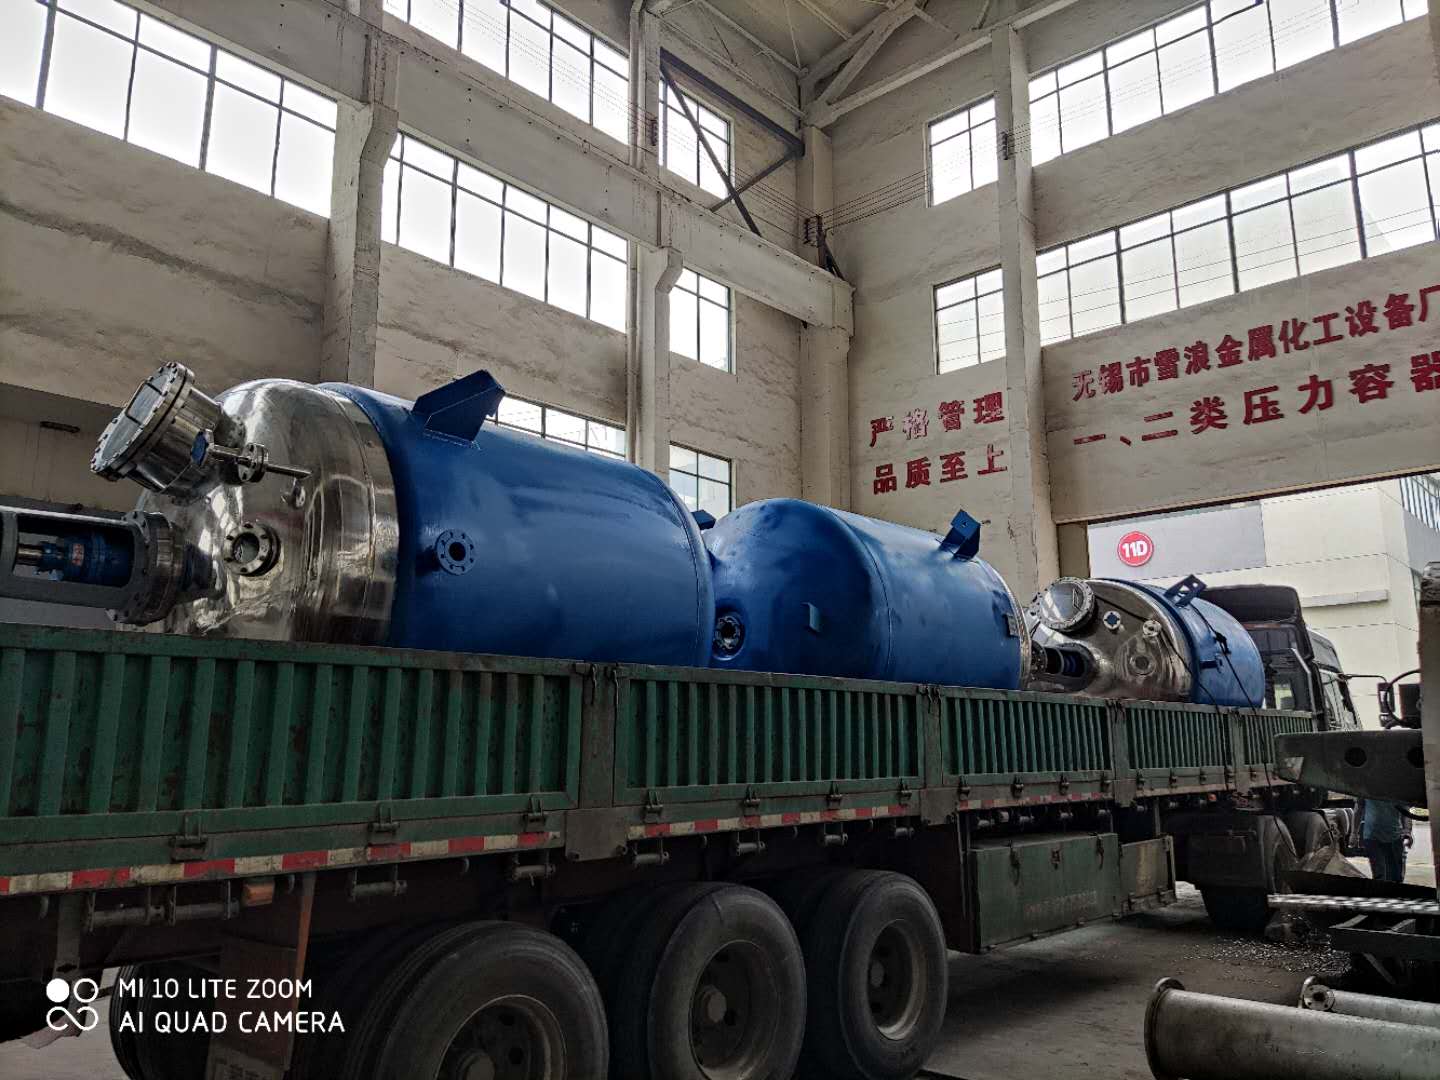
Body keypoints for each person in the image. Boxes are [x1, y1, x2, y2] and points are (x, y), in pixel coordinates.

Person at [1359, 798, 1408, 883]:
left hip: (1394, 837)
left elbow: (1405, 812)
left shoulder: (1399, 791)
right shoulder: (1366, 790)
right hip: (1372, 837)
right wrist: (1354, 833)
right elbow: (1359, 807)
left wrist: (1407, 831)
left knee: (1396, 876)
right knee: (1379, 874)